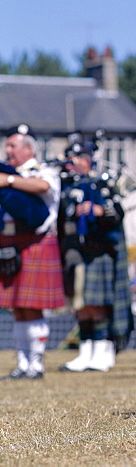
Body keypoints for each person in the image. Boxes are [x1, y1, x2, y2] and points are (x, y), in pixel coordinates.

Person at [57, 138, 130, 372]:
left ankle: (103, 350)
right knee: (81, 305)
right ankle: (85, 351)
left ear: (88, 160)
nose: (72, 164)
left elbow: (117, 212)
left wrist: (98, 210)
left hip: (99, 251)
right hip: (77, 252)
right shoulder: (66, 187)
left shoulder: (101, 185)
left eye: (77, 158)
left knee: (97, 304)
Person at [0, 125, 63, 379]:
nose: (7, 150)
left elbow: (42, 186)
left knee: (33, 306)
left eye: (13, 146)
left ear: (28, 149)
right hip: (10, 242)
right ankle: (22, 362)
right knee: (17, 307)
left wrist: (10, 181)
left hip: (37, 242)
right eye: (7, 146)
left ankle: (36, 363)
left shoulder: (44, 171)